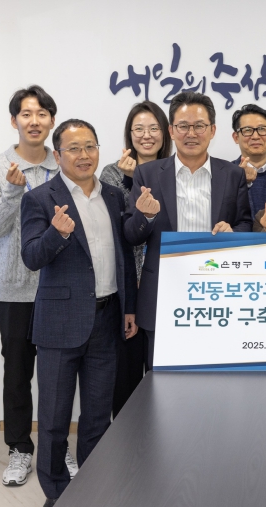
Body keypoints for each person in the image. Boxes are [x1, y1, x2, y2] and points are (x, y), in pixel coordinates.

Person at [20, 119, 138, 506]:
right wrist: (56, 233)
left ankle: (92, 490)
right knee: (54, 421)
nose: (83, 155)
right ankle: (56, 495)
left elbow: (124, 256)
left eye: (90, 146)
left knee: (97, 418)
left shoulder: (114, 196)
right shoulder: (40, 198)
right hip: (59, 325)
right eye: (74, 148)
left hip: (107, 319)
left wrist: (129, 308)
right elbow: (31, 257)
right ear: (57, 156)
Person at [0, 85, 79, 486]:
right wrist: (12, 193)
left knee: (59, 375)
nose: (34, 121)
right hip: (13, 290)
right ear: (13, 120)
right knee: (17, 372)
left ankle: (57, 445)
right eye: (26, 114)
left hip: (59, 287)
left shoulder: (65, 162)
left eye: (41, 114)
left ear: (52, 120)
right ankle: (20, 449)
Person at [123, 91, 251, 370]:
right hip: (163, 293)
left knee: (215, 376)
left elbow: (245, 223)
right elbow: (131, 235)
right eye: (183, 126)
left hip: (217, 292)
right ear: (171, 130)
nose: (191, 133)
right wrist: (146, 216)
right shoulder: (147, 174)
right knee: (161, 379)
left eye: (199, 126)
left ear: (212, 130)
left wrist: (233, 231)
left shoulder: (232, 175)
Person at [99, 100, 171, 418]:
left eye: (153, 128)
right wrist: (131, 182)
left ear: (165, 133)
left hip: (163, 287)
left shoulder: (174, 171)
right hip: (126, 287)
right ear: (129, 134)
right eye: (138, 129)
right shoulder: (112, 172)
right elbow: (119, 226)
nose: (146, 135)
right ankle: (125, 441)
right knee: (125, 376)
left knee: (161, 378)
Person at [230, 104, 266, 220]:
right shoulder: (224, 174)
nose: (255, 136)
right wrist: (240, 181)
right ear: (236, 137)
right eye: (247, 130)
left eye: (262, 129)